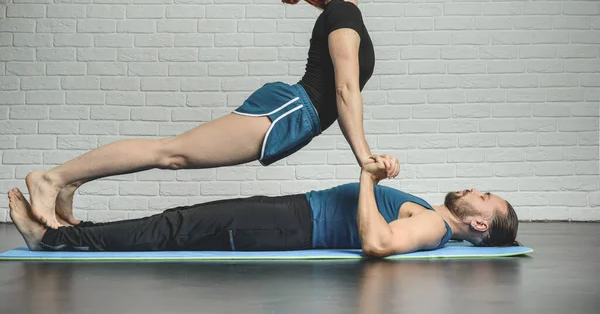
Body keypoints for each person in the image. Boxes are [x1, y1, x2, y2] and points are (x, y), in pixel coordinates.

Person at [25, 0, 399, 229]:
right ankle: (51, 178)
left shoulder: (343, 13)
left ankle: (68, 183)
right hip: (287, 113)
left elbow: (346, 89)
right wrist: (364, 158)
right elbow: (346, 90)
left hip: (293, 115)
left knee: (171, 153)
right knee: (171, 154)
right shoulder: (342, 14)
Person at [10, 155, 519, 257]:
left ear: (478, 221)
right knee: (176, 225)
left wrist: (367, 178)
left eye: (486, 196)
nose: (477, 187)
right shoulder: (428, 213)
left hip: (289, 226)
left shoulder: (432, 223)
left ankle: (54, 237)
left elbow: (378, 242)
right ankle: (69, 231)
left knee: (174, 227)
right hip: (288, 216)